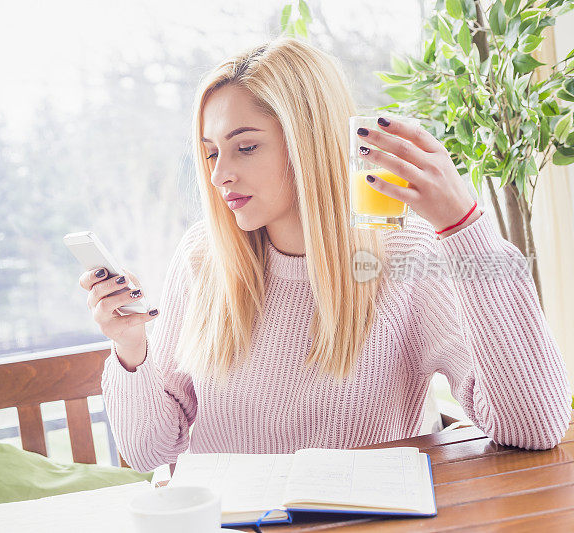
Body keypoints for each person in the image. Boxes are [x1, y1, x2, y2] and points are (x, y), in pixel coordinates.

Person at [77, 37, 572, 473]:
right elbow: (149, 453)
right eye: (211, 152)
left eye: (245, 147)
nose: (219, 175)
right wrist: (130, 347)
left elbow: (536, 426)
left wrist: (463, 227)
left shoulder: (403, 259)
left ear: (307, 143)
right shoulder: (203, 258)